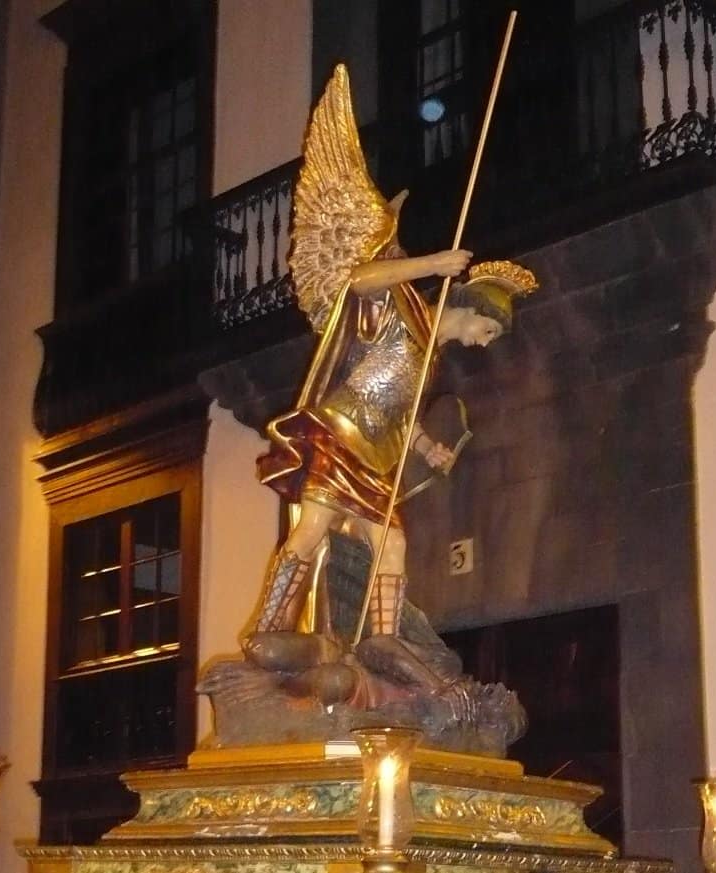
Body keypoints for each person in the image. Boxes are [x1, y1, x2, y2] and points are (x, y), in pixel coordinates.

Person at [242, 64, 536, 700]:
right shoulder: (403, 303)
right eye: (488, 332)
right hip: (341, 432)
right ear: (473, 309)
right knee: (317, 530)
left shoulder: (429, 356)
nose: (485, 344)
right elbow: (356, 280)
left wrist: (424, 446)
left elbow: (399, 409)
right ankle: (269, 631)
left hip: (375, 448)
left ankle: (378, 639)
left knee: (387, 542)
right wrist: (430, 263)